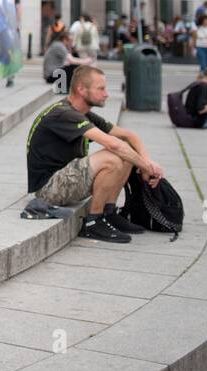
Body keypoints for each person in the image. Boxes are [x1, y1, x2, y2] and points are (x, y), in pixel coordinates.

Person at [27, 65, 165, 243]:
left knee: (126, 150)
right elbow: (113, 145)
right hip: (48, 189)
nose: (106, 94)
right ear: (81, 90)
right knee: (112, 157)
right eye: (101, 89)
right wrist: (147, 167)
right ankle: (93, 223)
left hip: (67, 180)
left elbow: (130, 136)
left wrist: (147, 163)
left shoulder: (83, 114)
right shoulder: (63, 113)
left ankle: (109, 213)